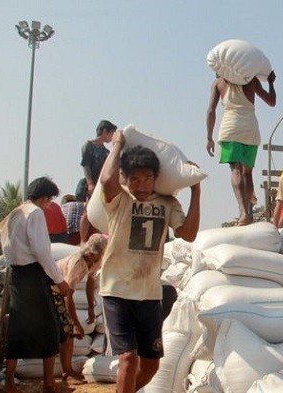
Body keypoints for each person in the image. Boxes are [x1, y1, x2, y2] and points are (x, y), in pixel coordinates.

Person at [99, 130, 201, 393]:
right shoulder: (119, 199)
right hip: (117, 290)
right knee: (128, 358)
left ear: (156, 179)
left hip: (149, 294)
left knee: (152, 365)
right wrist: (118, 143)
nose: (142, 185)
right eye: (135, 179)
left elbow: (188, 234)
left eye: (147, 179)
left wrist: (196, 191)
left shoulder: (168, 203)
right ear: (127, 180)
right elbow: (107, 178)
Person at [0, 176, 71, 393]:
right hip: (32, 275)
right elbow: (42, 252)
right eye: (50, 200)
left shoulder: (14, 214)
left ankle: (9, 381)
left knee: (18, 328)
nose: (49, 204)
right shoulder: (36, 213)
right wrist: (60, 280)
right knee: (49, 326)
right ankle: (49, 382)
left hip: (16, 274)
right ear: (45, 197)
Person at [206, 71, 277, 226]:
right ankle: (248, 213)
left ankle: (243, 212)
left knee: (236, 170)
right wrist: (271, 82)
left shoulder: (218, 83)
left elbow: (211, 111)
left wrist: (209, 137)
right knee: (248, 173)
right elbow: (271, 101)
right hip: (250, 130)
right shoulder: (251, 80)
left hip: (231, 129)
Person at [53, 233, 108, 382]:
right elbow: (67, 295)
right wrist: (76, 324)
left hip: (60, 293)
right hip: (52, 291)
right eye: (97, 255)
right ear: (90, 252)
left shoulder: (95, 260)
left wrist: (91, 308)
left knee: (67, 332)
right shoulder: (78, 263)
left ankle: (67, 370)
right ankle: (67, 370)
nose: (97, 259)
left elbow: (90, 282)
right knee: (68, 331)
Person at [79, 120, 117, 242]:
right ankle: (82, 240)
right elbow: (86, 165)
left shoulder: (107, 152)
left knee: (102, 213)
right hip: (91, 184)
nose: (112, 137)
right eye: (111, 133)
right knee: (87, 212)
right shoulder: (89, 146)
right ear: (105, 131)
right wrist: (90, 183)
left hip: (102, 186)